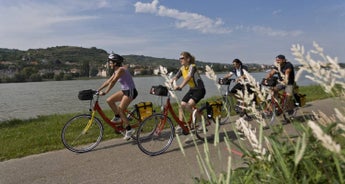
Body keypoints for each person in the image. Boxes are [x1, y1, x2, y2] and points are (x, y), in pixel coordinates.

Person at [97, 52, 138, 140]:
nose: (109, 63)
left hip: (131, 91)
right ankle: (118, 117)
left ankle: (129, 129)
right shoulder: (116, 71)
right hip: (124, 91)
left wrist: (106, 92)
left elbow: (113, 81)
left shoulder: (121, 70)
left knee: (120, 109)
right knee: (109, 100)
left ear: (115, 63)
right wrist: (98, 90)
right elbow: (108, 81)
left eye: (110, 62)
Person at [170, 51, 206, 127]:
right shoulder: (182, 68)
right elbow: (176, 77)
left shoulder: (192, 66)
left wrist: (180, 86)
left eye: (182, 58)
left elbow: (188, 77)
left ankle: (203, 121)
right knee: (181, 105)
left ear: (188, 59)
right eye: (180, 58)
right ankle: (181, 125)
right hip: (192, 90)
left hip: (200, 90)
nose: (180, 60)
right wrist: (171, 81)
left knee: (188, 106)